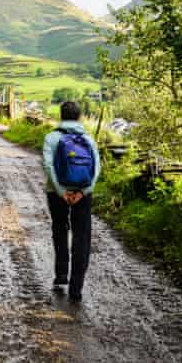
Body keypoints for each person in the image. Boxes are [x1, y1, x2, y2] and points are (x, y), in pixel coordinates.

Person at [42, 101, 101, 302]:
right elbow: (96, 170)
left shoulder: (51, 138)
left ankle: (60, 276)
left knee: (60, 230)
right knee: (81, 237)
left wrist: (61, 191)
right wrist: (83, 192)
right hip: (82, 194)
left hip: (56, 192)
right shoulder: (89, 139)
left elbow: (49, 167)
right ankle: (76, 288)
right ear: (79, 116)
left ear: (61, 115)